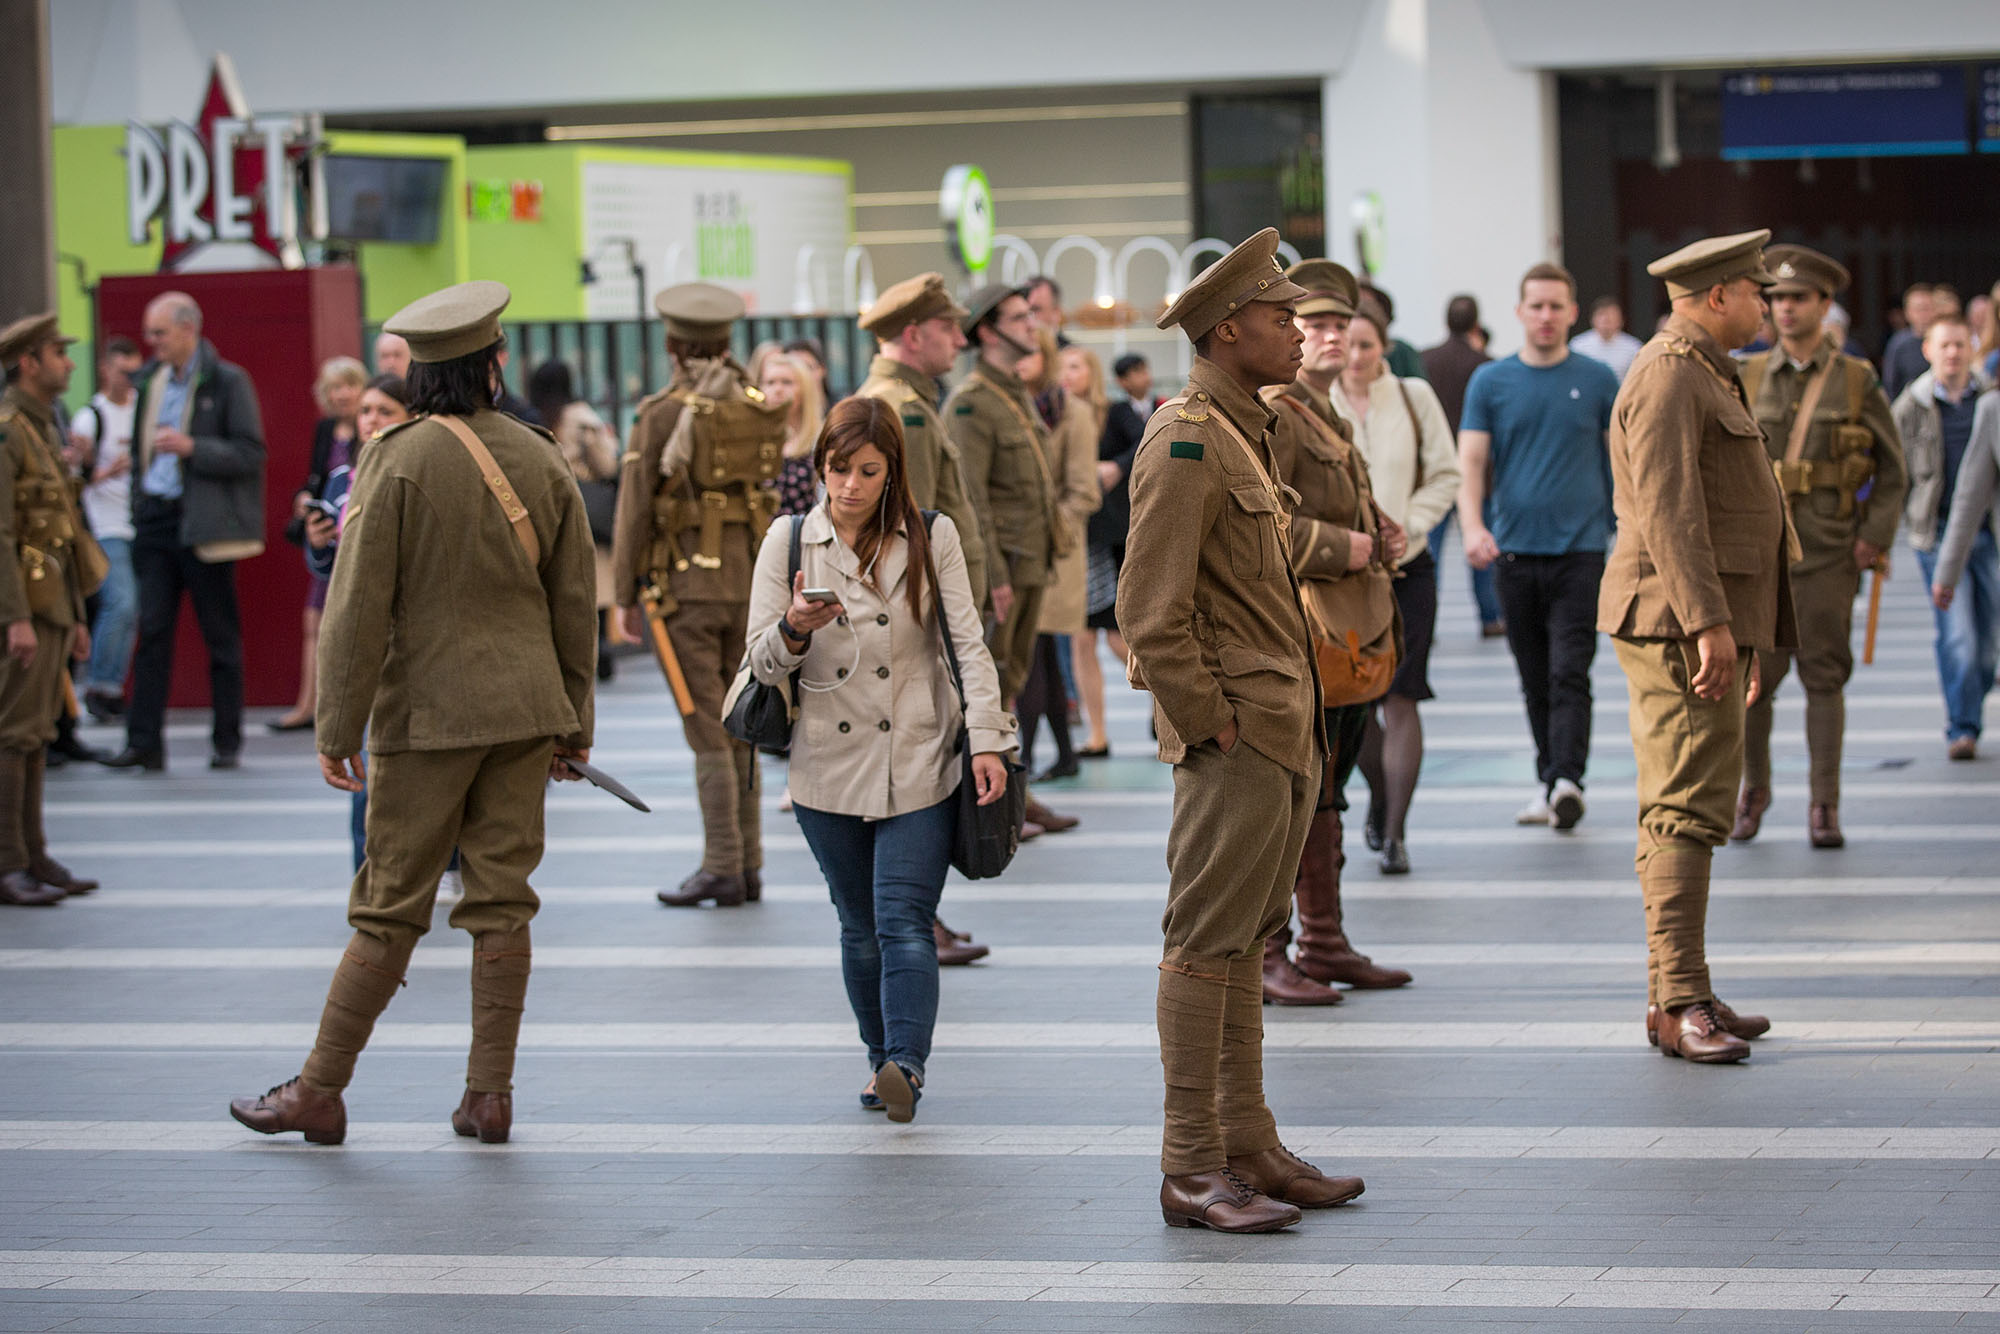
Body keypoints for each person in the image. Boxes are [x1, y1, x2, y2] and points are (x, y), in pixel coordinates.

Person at [228, 280, 596, 1147]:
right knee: (503, 900)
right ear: (492, 365)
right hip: (525, 713)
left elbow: (355, 611)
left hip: (426, 718)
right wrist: (574, 722)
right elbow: (572, 600)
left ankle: (318, 1090)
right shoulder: (541, 457)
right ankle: (488, 1096)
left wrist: (334, 727)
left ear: (420, 374)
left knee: (390, 904)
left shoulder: (393, 460)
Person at [1118, 228, 1363, 1233]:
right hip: (1237, 736)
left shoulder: (1244, 429)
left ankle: (1246, 1141)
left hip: (1276, 728)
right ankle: (1187, 1164)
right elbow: (1146, 609)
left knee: (1243, 941)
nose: (1299, 334)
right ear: (1227, 330)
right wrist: (1209, 720)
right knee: (1202, 941)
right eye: (1278, 319)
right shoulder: (1183, 438)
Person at [739, 397, 1015, 1123]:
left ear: (892, 471)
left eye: (868, 470)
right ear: (820, 467)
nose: (851, 486)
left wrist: (987, 739)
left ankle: (907, 1066)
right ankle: (878, 1060)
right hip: (825, 766)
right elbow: (758, 663)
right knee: (857, 923)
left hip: (919, 755)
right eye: (838, 469)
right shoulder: (790, 539)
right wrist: (794, 630)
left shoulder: (933, 535)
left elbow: (967, 643)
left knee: (903, 917)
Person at [1600, 230, 1792, 1064]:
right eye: (1757, 292)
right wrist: (1709, 624)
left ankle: (1678, 991)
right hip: (1678, 622)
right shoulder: (1672, 374)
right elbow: (1669, 512)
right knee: (1685, 805)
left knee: (1688, 801)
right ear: (1718, 296)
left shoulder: (1703, 368)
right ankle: (1681, 1003)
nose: (1766, 305)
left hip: (1696, 618)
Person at [1258, 258, 1412, 1006]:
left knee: (1327, 791)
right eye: (1310, 324)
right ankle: (1270, 950)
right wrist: (1343, 545)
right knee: (1294, 794)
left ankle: (1323, 940)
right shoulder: (1278, 412)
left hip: (1342, 637)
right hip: (1298, 632)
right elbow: (1264, 527)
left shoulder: (1328, 414)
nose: (1326, 336)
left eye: (1336, 324)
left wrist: (1375, 526)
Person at [610, 284, 784, 908]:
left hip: (683, 587)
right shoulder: (755, 403)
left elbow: (633, 509)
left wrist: (623, 590)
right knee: (742, 721)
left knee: (705, 726)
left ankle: (722, 864)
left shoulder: (661, 413)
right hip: (752, 585)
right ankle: (751, 861)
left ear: (672, 344)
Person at [1732, 246, 1907, 849]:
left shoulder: (1856, 379)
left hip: (1828, 552)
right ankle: (1753, 790)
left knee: (1824, 678)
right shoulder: (1747, 375)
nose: (1784, 309)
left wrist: (1873, 537)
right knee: (1754, 679)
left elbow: (1893, 470)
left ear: (1825, 305)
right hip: (1762, 555)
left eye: (1798, 298)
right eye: (1776, 298)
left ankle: (1823, 804)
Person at [853, 273, 996, 966]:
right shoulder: (898, 409)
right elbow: (916, 528)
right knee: (914, 767)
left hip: (924, 613)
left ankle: (919, 911)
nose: (960, 341)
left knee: (925, 764)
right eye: (948, 329)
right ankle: (910, 915)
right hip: (916, 619)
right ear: (914, 336)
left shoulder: (911, 402)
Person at [1458, 263, 1620, 830]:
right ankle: (1550, 781)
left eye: (1557, 306)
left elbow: (1622, 459)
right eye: (1537, 306)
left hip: (1581, 552)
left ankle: (1568, 778)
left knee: (1569, 669)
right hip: (1514, 554)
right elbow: (1472, 462)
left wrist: (1630, 528)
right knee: (1533, 676)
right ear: (1520, 312)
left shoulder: (1599, 379)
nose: (1546, 316)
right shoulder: (1491, 382)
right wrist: (1473, 526)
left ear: (1572, 313)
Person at [102, 292, 265, 774]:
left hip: (204, 525)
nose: (151, 343)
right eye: (150, 333)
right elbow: (139, 452)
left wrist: (194, 447)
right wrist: (138, 500)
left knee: (220, 636)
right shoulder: (151, 381)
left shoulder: (227, 380)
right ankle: (144, 742)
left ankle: (226, 741)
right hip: (155, 520)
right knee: (151, 632)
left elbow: (251, 451)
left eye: (159, 333)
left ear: (188, 329)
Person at [944, 284, 1075, 836]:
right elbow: (970, 499)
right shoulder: (971, 404)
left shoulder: (1012, 393)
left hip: (1030, 563)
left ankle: (1016, 795)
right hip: (1006, 570)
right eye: (1019, 318)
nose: (1032, 325)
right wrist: (993, 575)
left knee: (1011, 680)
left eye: (1032, 315)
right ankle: (995, 808)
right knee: (993, 684)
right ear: (987, 332)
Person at [1335, 303, 1461, 875]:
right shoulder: (1316, 401)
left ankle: (1395, 833)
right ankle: (1380, 792)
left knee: (1403, 695)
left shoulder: (1412, 395)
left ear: (1385, 345)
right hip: (1344, 577)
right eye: (1348, 344)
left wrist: (1408, 525)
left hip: (1409, 568)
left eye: (1368, 345)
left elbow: (1445, 473)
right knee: (1354, 700)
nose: (1357, 356)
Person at [0, 314, 101, 906]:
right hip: (23, 611)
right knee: (14, 734)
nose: (67, 363)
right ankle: (9, 862)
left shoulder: (39, 427)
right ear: (28, 363)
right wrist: (14, 618)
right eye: (57, 354)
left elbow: (59, 533)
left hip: (50, 606)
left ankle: (33, 854)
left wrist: (77, 618)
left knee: (36, 734)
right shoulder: (10, 431)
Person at [302, 375, 416, 871]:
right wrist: (319, 544)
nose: (371, 420)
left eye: (384, 411)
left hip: (413, 636)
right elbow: (327, 570)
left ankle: (446, 863)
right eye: (366, 411)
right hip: (362, 633)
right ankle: (367, 872)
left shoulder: (416, 475)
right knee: (365, 765)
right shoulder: (338, 480)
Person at [1896, 315, 1997, 759]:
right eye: (1945, 346)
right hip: (1937, 533)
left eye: (1960, 344)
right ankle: (1963, 725)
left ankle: (1969, 707)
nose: (1953, 353)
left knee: (1988, 635)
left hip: (1990, 532)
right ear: (1928, 350)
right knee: (1958, 634)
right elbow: (1894, 476)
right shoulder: (1911, 406)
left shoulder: (1987, 401)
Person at [1017, 328, 1101, 781]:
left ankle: (1025, 759)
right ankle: (1062, 754)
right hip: (1018, 554)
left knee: (1033, 654)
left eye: (1031, 352)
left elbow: (1084, 493)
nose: (1020, 359)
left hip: (1056, 553)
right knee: (1042, 656)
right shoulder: (1007, 407)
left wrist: (1041, 534)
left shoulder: (1073, 412)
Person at [274, 357, 366, 733]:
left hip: (354, 536)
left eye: (348, 385)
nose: (341, 394)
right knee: (313, 620)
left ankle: (333, 705)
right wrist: (304, 499)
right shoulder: (327, 430)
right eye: (334, 387)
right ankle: (307, 703)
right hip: (326, 535)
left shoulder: (370, 428)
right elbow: (317, 478)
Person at [529, 360, 622, 680]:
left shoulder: (532, 418)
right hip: (589, 511)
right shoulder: (581, 418)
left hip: (551, 508)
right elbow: (607, 465)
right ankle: (602, 652)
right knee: (597, 582)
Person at [66, 336, 142, 723]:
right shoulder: (90, 417)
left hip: (139, 522)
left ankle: (112, 685)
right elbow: (74, 480)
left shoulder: (143, 409)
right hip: (105, 523)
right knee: (121, 602)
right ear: (106, 369)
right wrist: (104, 470)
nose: (129, 378)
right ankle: (99, 685)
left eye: (134, 371)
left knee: (134, 609)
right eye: (122, 370)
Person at [1420, 294, 1502, 638]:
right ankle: (1490, 617)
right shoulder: (1487, 364)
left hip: (1434, 469)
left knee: (1431, 554)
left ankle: (1426, 620)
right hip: (1478, 473)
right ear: (1475, 323)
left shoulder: (1426, 361)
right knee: (1481, 546)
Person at [757, 351, 825, 518]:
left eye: (787, 382)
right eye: (770, 382)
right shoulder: (753, 439)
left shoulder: (820, 439)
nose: (777, 389)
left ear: (805, 389)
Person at [1882, 283, 1938, 403]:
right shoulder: (1898, 343)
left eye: (1927, 308)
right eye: (1918, 309)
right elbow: (1890, 384)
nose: (1923, 314)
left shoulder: (1945, 340)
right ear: (1907, 313)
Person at [1569, 296, 1645, 383]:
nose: (1606, 319)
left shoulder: (1634, 348)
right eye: (1601, 314)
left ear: (1621, 320)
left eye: (1612, 315)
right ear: (1592, 319)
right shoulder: (1578, 345)